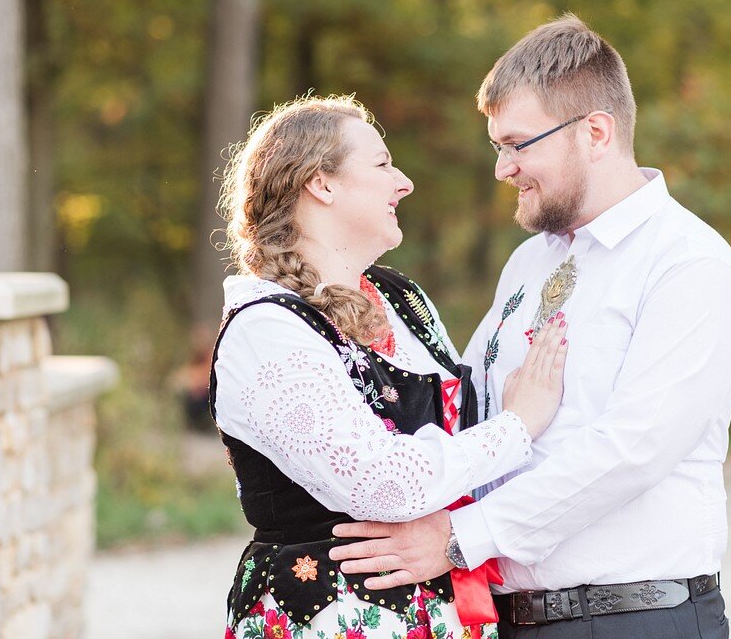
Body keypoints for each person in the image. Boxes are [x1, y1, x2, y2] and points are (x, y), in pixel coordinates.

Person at [329, 15, 731, 639]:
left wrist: (458, 539)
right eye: (497, 146)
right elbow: (470, 409)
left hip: (637, 618)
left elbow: (633, 448)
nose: (504, 168)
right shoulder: (531, 261)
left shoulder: (688, 263)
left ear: (595, 132)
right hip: (512, 619)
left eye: (519, 143)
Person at [209, 95, 570, 639]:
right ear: (321, 184)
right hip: (330, 615)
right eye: (381, 165)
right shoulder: (266, 330)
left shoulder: (401, 299)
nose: (403, 183)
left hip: (446, 608)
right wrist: (517, 426)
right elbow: (381, 483)